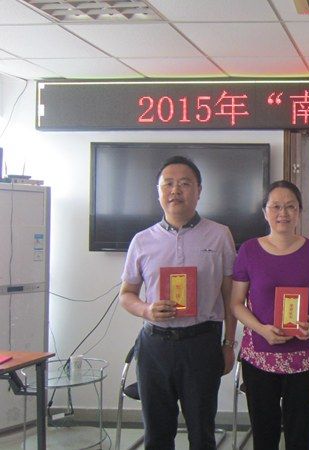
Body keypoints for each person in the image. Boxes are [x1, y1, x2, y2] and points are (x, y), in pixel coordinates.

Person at [120, 155, 236, 449]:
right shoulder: (142, 240)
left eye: (184, 183)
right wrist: (146, 309)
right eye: (168, 184)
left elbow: (230, 296)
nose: (175, 190)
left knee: (202, 433)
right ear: (158, 191)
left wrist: (229, 344)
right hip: (154, 347)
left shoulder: (220, 235)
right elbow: (126, 295)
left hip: (202, 344)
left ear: (199, 190)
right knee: (157, 435)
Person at [229, 180, 309, 450]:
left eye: (290, 206)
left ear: (299, 212)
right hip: (260, 357)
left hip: (303, 357)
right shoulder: (249, 250)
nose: (283, 213)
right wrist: (262, 329)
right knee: (264, 435)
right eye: (275, 207)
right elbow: (236, 303)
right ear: (265, 212)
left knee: (300, 435)